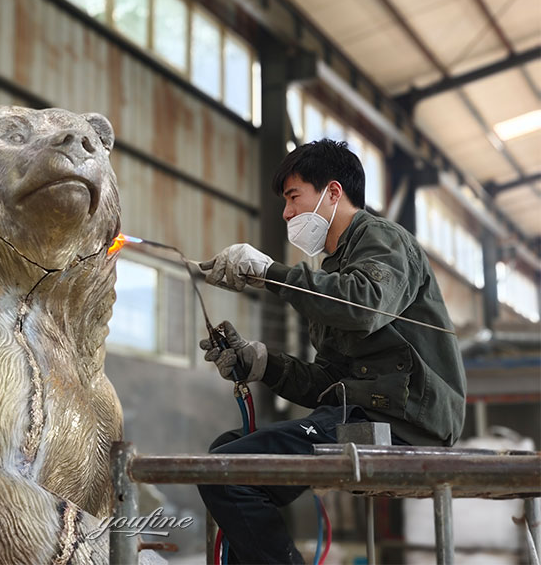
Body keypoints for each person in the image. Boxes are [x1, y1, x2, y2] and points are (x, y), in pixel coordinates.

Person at [197, 138, 466, 564]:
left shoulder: (383, 239)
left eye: (292, 197)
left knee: (228, 473)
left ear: (333, 192)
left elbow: (365, 306)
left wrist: (272, 274)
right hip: (359, 413)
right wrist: (261, 362)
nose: (286, 213)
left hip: (407, 420)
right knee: (225, 454)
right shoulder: (331, 275)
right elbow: (329, 384)